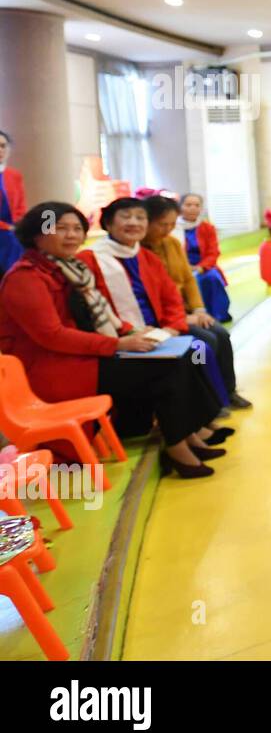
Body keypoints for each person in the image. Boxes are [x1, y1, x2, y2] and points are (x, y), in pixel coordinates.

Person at [0, 201, 226, 478]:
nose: (71, 235)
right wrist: (118, 344)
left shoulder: (71, 270)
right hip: (54, 367)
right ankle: (178, 447)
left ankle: (190, 434)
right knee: (168, 367)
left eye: (76, 229)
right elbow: (52, 335)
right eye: (60, 229)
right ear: (37, 234)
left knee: (191, 351)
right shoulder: (28, 277)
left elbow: (110, 314)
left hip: (87, 352)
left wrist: (137, 332)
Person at [143, 195, 251, 410]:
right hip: (166, 319)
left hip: (185, 311)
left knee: (221, 334)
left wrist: (200, 309)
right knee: (203, 343)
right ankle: (208, 397)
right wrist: (182, 318)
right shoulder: (141, 252)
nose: (166, 230)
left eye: (171, 225)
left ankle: (227, 391)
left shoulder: (173, 244)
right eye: (162, 224)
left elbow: (188, 281)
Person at [175, 193, 232, 323]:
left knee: (211, 278)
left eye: (197, 205)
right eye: (188, 205)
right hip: (180, 268)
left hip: (204, 266)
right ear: (180, 207)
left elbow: (213, 252)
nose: (193, 208)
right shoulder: (173, 227)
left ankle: (216, 315)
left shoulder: (207, 228)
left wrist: (201, 267)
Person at [0, 129, 28, 276]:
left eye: (3, 146)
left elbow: (21, 206)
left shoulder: (14, 175)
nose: (0, 150)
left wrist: (18, 225)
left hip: (12, 231)